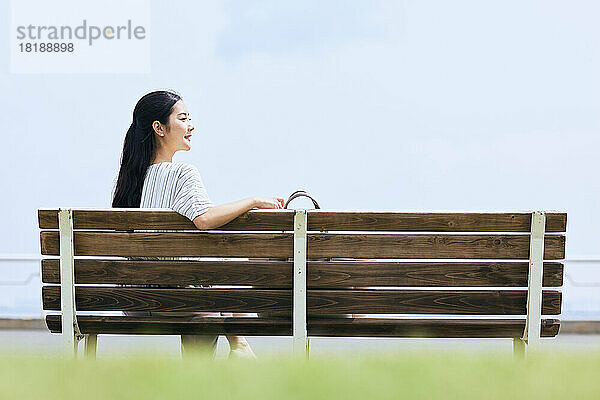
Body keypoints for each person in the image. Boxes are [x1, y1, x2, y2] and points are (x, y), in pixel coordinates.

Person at [111, 90, 284, 359]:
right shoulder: (182, 173)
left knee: (212, 278)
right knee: (218, 279)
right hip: (174, 299)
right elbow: (204, 218)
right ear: (159, 128)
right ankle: (238, 346)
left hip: (131, 300)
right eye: (183, 118)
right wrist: (253, 201)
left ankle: (238, 344)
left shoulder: (130, 181)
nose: (191, 125)